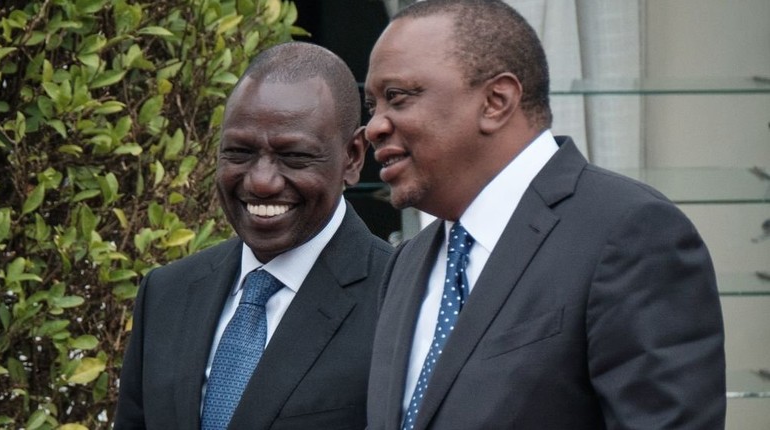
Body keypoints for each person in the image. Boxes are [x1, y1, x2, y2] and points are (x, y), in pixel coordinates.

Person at [363, 1, 726, 429]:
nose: (374, 127)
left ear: (497, 100)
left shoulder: (630, 233)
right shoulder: (408, 263)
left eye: (398, 98)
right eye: (373, 107)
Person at [114, 41, 393, 429]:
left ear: (353, 157)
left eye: (294, 156)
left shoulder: (397, 300)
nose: (261, 182)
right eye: (239, 153)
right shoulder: (166, 294)